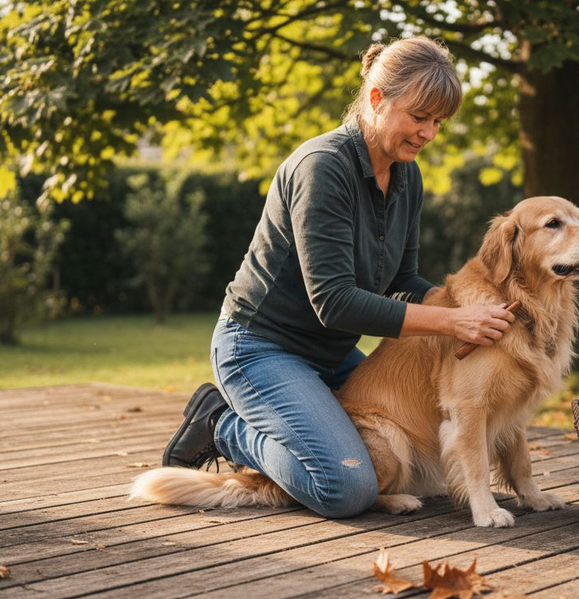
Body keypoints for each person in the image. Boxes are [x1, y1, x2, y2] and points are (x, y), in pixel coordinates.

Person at [161, 36, 516, 519]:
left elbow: (403, 278)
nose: (429, 132)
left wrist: (465, 305)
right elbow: (335, 301)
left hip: (329, 354)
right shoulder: (322, 167)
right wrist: (451, 322)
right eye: (419, 116)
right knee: (345, 487)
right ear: (376, 99)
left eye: (438, 121)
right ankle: (221, 422)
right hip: (260, 349)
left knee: (417, 444)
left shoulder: (407, 175)